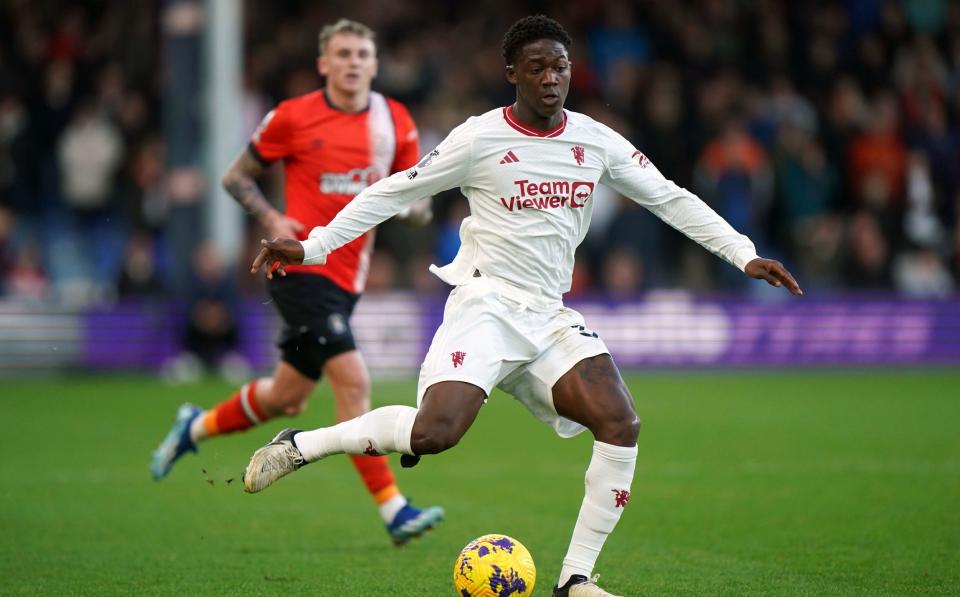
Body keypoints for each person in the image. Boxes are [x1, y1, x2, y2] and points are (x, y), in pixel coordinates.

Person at [243, 15, 802, 597]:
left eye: (559, 66)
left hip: (549, 313)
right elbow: (395, 190)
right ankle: (302, 445)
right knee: (435, 434)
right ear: (512, 74)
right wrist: (313, 246)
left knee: (621, 422)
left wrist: (742, 254)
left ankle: (575, 580)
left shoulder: (595, 140)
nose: (550, 78)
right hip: (485, 305)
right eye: (535, 68)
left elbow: (670, 198)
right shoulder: (480, 138)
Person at [151, 19, 442, 546]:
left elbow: (413, 195)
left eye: (362, 54)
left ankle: (192, 427)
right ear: (323, 64)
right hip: (300, 266)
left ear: (375, 66)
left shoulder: (394, 122)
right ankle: (394, 510)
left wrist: (419, 210)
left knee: (286, 395)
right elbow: (235, 176)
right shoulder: (292, 116)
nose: (353, 62)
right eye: (343, 53)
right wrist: (270, 219)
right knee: (352, 382)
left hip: (347, 279)